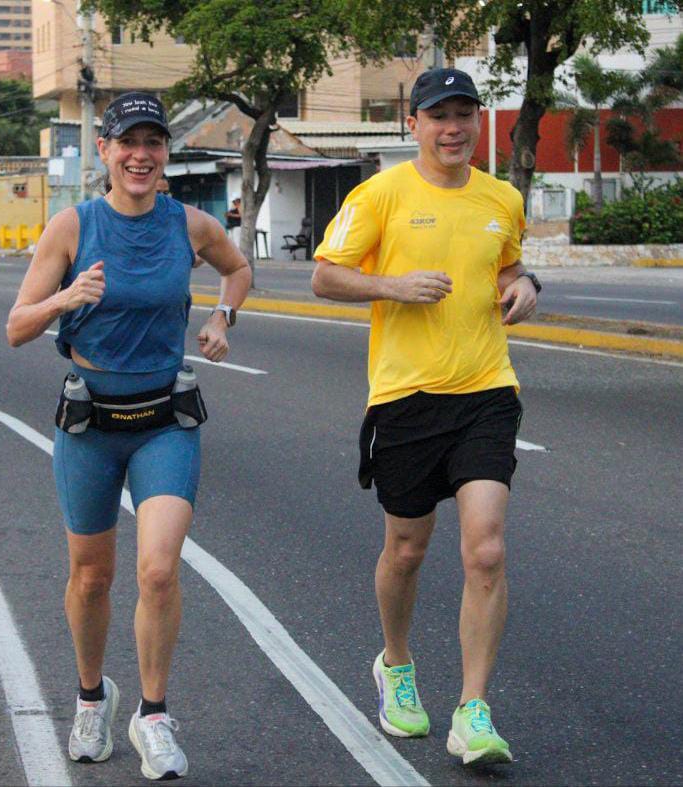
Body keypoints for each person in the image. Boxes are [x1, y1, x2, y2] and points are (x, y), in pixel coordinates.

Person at [7, 92, 251, 781]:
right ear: (105, 153)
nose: (141, 155)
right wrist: (65, 298)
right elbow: (17, 326)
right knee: (91, 577)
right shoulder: (71, 225)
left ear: (164, 153)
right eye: (127, 143)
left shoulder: (191, 224)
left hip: (163, 420)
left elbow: (237, 269)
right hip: (91, 423)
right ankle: (92, 697)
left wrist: (222, 317)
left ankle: (152, 714)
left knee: (157, 569)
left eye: (153, 142)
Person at [311, 68, 540, 767]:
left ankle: (472, 709)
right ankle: (397, 662)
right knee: (406, 549)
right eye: (438, 116)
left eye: (463, 115)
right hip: (405, 397)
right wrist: (390, 285)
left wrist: (522, 283)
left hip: (485, 390)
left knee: (486, 548)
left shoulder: (500, 197)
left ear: (477, 122)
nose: (452, 128)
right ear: (412, 125)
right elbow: (325, 273)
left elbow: (505, 265)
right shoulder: (379, 193)